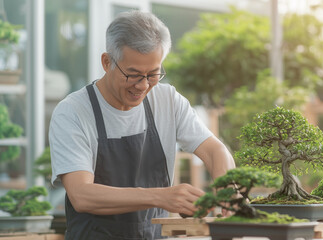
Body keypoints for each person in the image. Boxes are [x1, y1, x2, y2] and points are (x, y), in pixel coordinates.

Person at [49, 11, 235, 240]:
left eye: (154, 74)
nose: (143, 85)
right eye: (133, 74)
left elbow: (215, 150)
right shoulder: (73, 112)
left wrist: (227, 187)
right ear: (107, 62)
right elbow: (81, 194)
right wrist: (161, 197)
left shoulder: (167, 100)